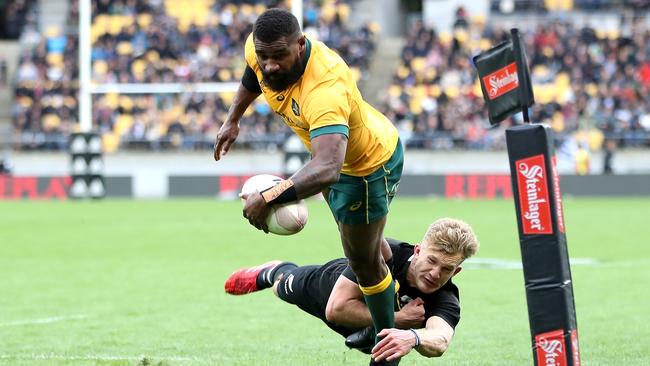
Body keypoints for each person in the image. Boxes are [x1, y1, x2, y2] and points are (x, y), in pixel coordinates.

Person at [213, 8, 403, 364]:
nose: (268, 65)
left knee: (363, 261)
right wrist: (233, 119)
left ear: (300, 45)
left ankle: (386, 347)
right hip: (336, 159)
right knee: (366, 248)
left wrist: (268, 198)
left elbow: (328, 169)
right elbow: (252, 76)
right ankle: (391, 307)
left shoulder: (325, 88)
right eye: (263, 55)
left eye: (278, 56)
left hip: (364, 167)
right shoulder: (262, 48)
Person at [224, 218, 480, 363]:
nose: (436, 274)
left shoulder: (446, 296)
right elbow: (336, 309)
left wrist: (412, 337)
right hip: (331, 289)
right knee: (282, 285)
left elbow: (440, 340)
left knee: (391, 347)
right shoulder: (384, 254)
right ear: (418, 251)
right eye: (432, 262)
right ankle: (273, 271)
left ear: (456, 272)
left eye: (446, 269)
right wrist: (400, 320)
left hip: (379, 333)